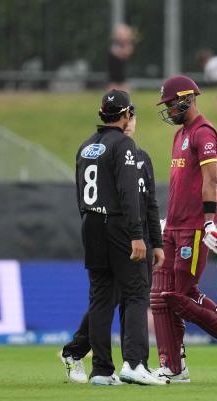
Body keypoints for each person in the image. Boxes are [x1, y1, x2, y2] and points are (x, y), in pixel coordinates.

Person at [151, 75, 217, 383]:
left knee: (180, 295)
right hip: (174, 227)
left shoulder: (204, 132)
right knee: (160, 296)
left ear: (187, 99)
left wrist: (208, 221)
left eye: (171, 103)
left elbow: (211, 180)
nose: (168, 109)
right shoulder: (180, 134)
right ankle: (173, 368)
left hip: (194, 228)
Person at [61, 110, 165, 384]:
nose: (129, 124)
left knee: (104, 297)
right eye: (127, 118)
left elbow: (150, 203)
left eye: (133, 120)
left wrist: (156, 241)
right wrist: (137, 236)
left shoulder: (89, 146)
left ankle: (101, 369)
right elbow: (129, 198)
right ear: (123, 117)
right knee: (135, 293)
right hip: (124, 231)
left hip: (97, 225)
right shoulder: (123, 147)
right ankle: (135, 363)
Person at [108, 24, 135, 91]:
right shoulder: (113, 44)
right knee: (111, 98)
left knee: (125, 98)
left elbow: (128, 52)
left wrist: (127, 42)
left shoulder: (127, 44)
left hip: (123, 78)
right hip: (113, 79)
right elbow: (119, 54)